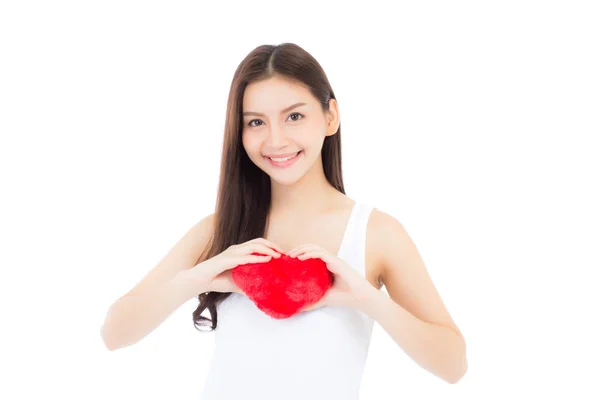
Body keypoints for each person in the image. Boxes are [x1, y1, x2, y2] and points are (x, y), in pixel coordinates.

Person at [100, 42, 468, 399]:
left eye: (294, 116)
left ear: (330, 117)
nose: (276, 140)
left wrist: (367, 300)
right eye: (256, 122)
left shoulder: (376, 233)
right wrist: (196, 278)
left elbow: (453, 366)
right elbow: (114, 334)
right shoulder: (217, 231)